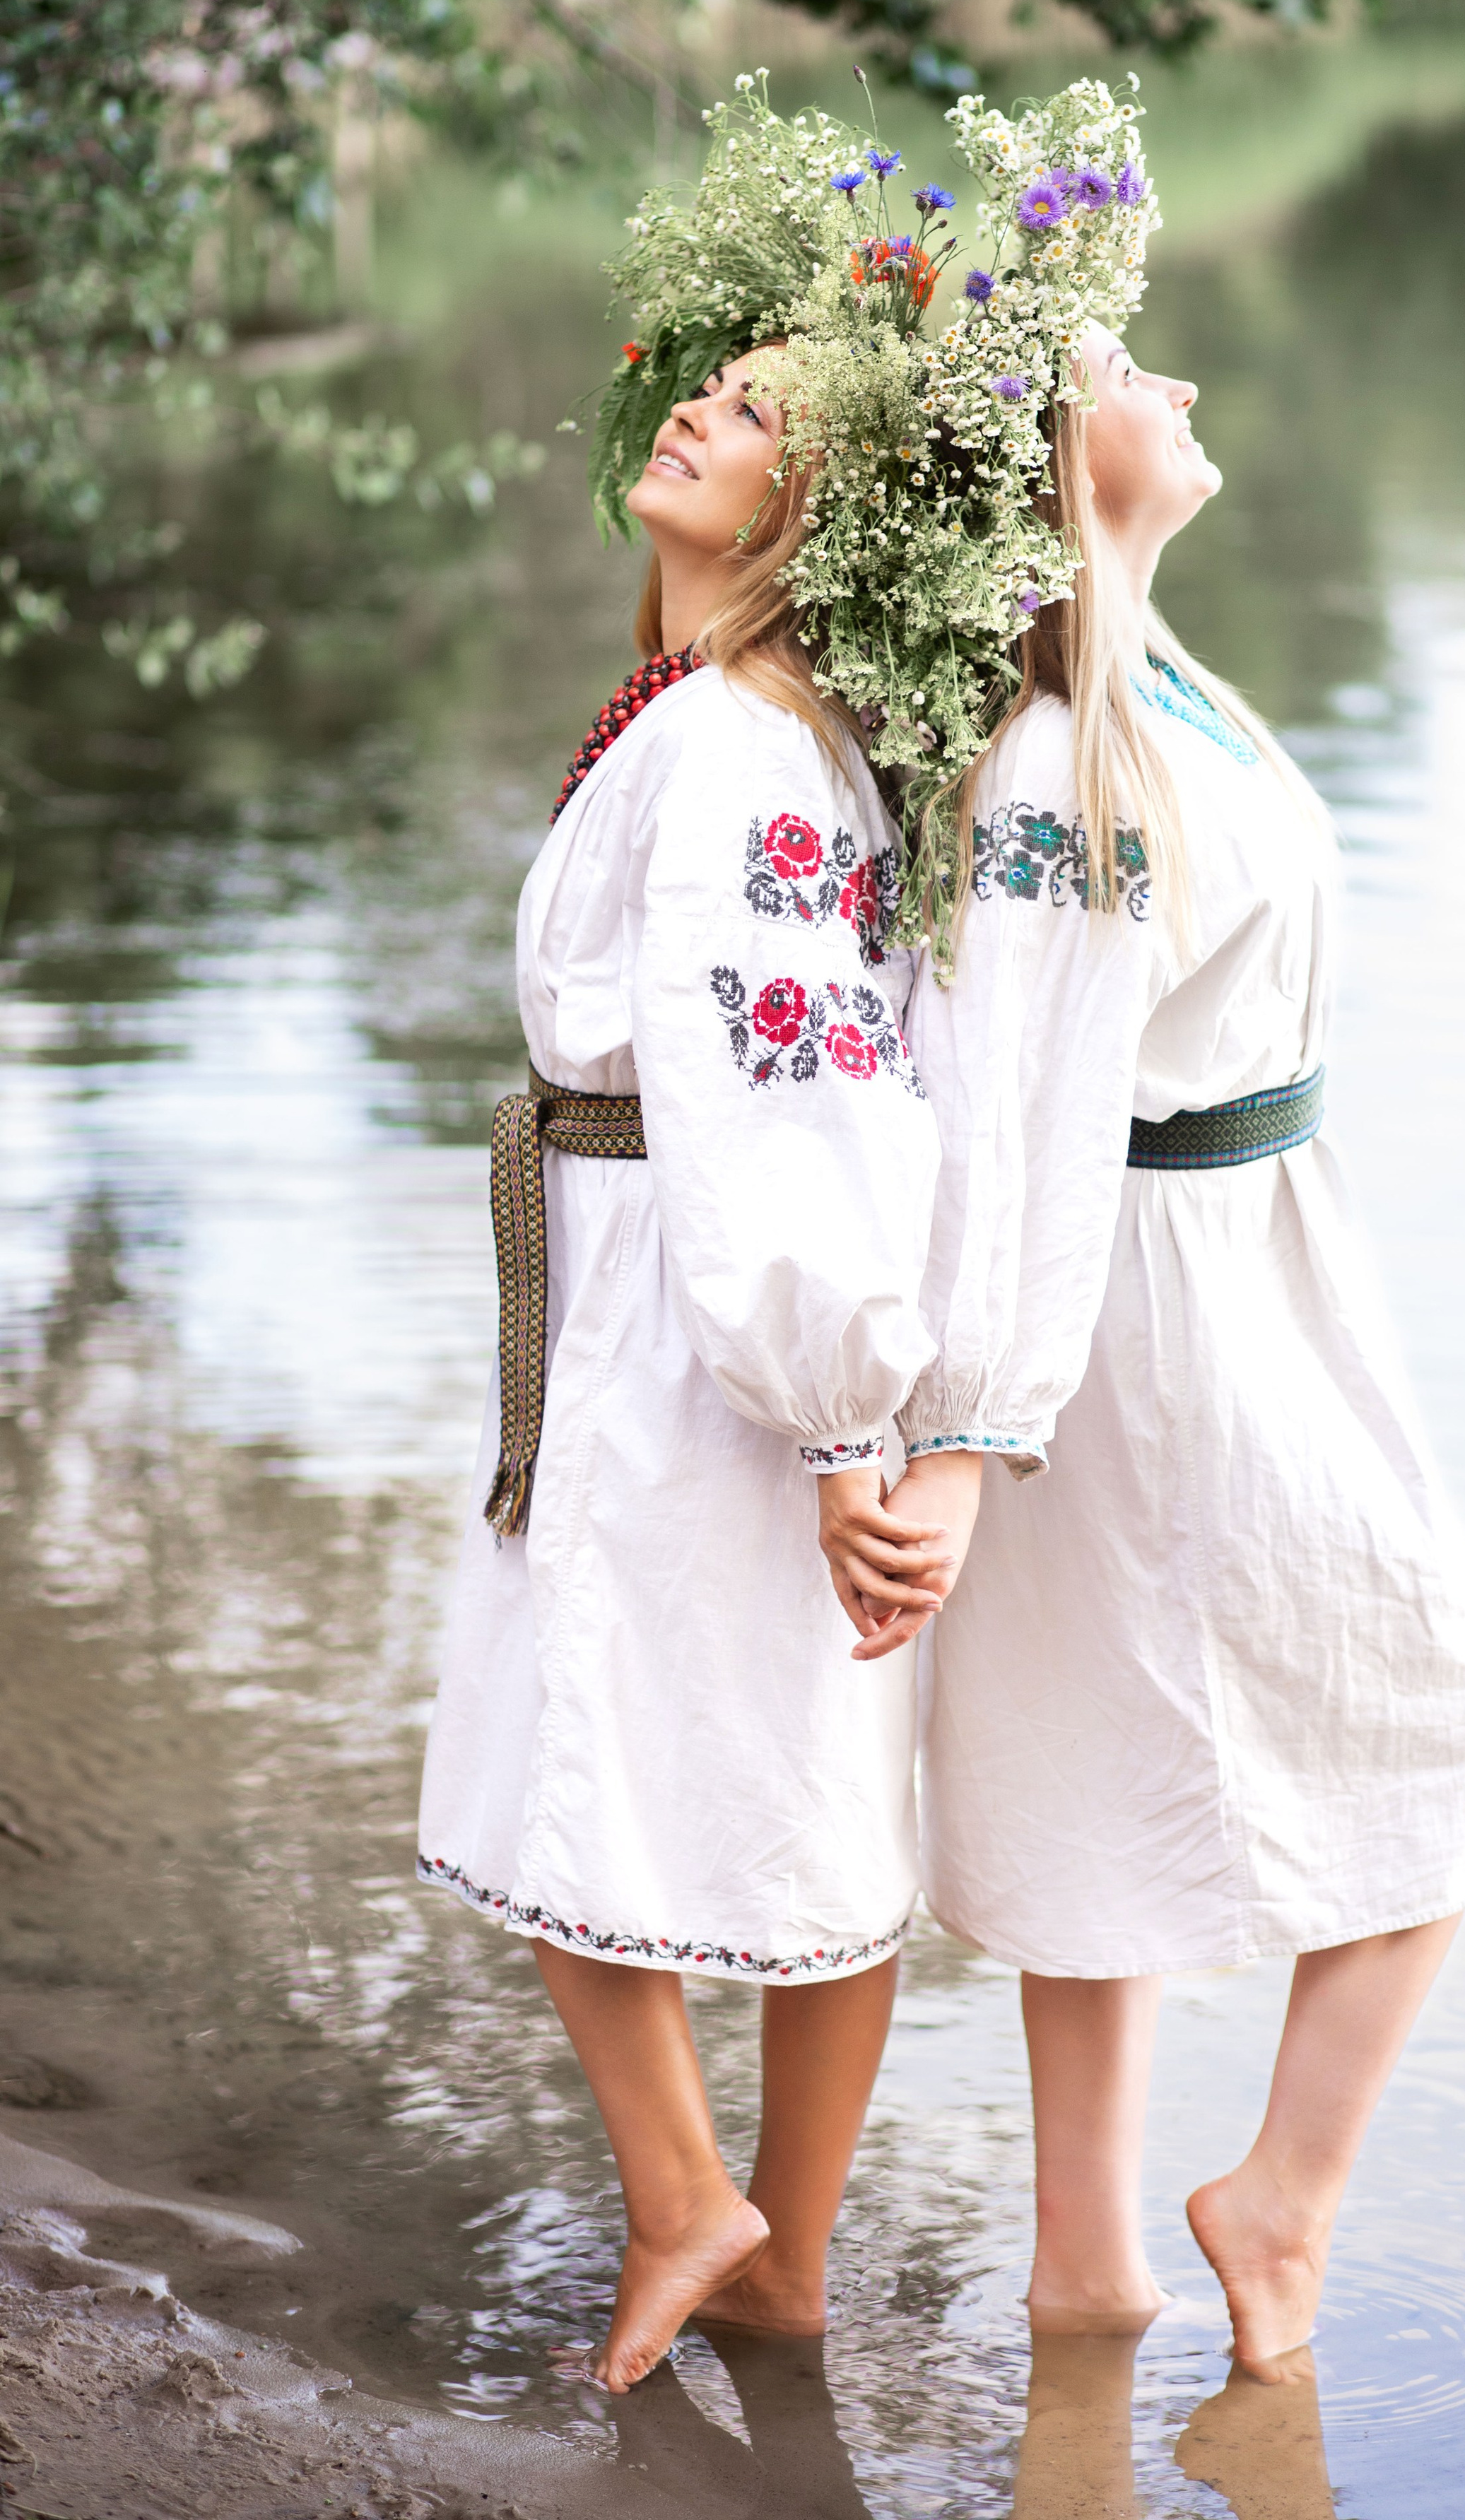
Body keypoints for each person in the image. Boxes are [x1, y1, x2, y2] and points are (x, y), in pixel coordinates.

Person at [873, 312, 1465, 2377]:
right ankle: (1276, 2202)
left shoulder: (1134, 674)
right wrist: (972, 1429)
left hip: (1245, 1250)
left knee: (1128, 1746)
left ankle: (1091, 2266)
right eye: (1121, 364)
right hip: (1150, 1299)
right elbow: (1016, 1099)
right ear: (1042, 454)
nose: (1174, 387)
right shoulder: (1054, 759)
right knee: (1446, 1718)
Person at [415, 315, 958, 2390]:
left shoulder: (737, 739)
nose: (696, 412)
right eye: (707, 385)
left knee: (590, 1741)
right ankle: (784, 2264)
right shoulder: (749, 725)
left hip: (702, 1303)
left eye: (749, 417)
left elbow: (784, 1086)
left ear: (810, 514)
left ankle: (688, 2203)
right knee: (809, 1777)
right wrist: (856, 1401)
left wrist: (835, 1415)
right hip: (733, 1281)